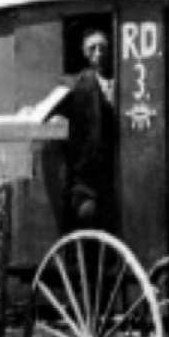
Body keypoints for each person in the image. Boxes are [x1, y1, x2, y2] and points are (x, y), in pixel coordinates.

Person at [51, 28, 117, 231]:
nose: (99, 53)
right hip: (88, 170)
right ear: (84, 52)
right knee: (88, 213)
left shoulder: (124, 82)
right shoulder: (75, 85)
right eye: (92, 48)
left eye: (103, 48)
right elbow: (53, 107)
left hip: (117, 164)